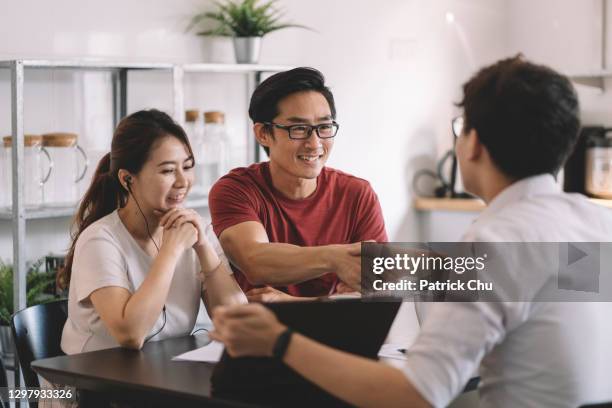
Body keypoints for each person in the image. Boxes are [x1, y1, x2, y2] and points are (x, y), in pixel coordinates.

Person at [209, 56, 612, 407]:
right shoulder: (594, 224)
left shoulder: (494, 241)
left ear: (472, 144)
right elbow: (520, 281)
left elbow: (415, 395)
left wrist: (279, 341)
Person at [59, 109, 246, 354]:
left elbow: (238, 321)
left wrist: (203, 248)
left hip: (161, 378)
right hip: (91, 386)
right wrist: (171, 250)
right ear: (127, 179)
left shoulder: (195, 229)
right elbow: (131, 335)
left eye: (187, 167)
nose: (183, 181)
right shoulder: (99, 240)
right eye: (168, 171)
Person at [208, 67, 387, 300]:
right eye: (299, 129)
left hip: (334, 334)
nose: (315, 144)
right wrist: (335, 258)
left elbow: (378, 291)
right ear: (263, 133)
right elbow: (255, 261)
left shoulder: (357, 194)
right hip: (257, 335)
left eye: (324, 127)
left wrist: (293, 303)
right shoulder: (236, 190)